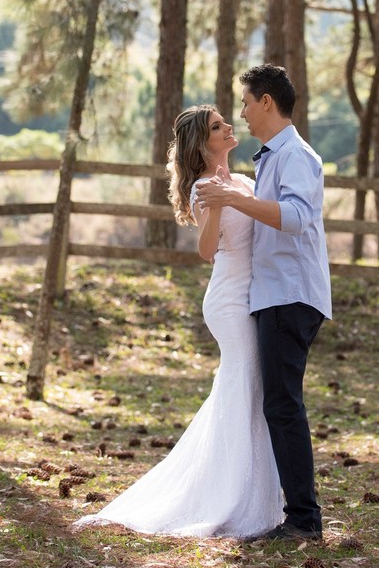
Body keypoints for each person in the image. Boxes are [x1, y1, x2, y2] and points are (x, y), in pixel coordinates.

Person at [73, 104, 283, 539]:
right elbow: (208, 250)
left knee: (248, 387)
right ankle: (227, 499)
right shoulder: (204, 188)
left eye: (225, 122)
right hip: (228, 300)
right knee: (245, 382)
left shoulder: (245, 181)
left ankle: (253, 493)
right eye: (217, 126)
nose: (229, 128)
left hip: (256, 293)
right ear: (202, 144)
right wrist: (221, 205)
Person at [196, 64, 332, 542]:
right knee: (277, 402)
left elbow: (295, 217)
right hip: (270, 294)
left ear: (267, 102)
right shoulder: (271, 157)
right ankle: (286, 511)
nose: (243, 114)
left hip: (290, 294)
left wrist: (231, 201)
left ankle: (302, 520)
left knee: (282, 404)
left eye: (247, 104)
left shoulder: (296, 156)